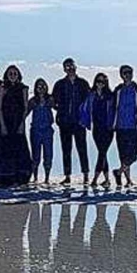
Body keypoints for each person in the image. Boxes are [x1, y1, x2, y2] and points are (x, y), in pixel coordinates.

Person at [51, 57, 91, 186]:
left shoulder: (83, 83)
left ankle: (86, 175)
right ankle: (67, 176)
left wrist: (85, 118)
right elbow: (53, 101)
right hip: (65, 122)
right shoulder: (59, 84)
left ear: (76, 67)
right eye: (67, 67)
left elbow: (88, 101)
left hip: (79, 122)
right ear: (64, 69)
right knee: (66, 149)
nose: (70, 69)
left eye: (72, 66)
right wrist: (60, 112)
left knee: (82, 149)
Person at [0, 65, 33, 186]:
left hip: (18, 121)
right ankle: (5, 177)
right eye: (10, 73)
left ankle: (21, 177)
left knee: (20, 149)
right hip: (5, 120)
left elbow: (25, 108)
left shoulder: (23, 88)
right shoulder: (2, 87)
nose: (13, 75)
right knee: (5, 149)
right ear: (6, 75)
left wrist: (22, 124)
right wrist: (2, 125)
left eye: (15, 73)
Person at [112, 65, 137, 190]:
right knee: (123, 155)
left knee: (133, 154)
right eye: (125, 73)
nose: (127, 75)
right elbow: (111, 106)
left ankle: (119, 172)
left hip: (133, 127)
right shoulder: (118, 89)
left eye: (129, 72)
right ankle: (127, 180)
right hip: (120, 126)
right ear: (121, 75)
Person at [82, 72, 116, 190]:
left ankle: (95, 179)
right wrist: (85, 123)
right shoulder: (91, 95)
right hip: (97, 128)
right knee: (103, 153)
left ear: (106, 83)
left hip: (108, 129)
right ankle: (107, 179)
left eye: (102, 81)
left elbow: (115, 111)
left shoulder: (110, 96)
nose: (100, 84)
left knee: (102, 152)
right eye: (98, 81)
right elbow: (85, 109)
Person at [29, 78, 55, 184]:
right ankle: (35, 177)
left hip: (47, 130)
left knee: (48, 155)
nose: (41, 88)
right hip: (35, 130)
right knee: (36, 155)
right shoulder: (33, 100)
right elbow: (25, 113)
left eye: (43, 86)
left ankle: (47, 178)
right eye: (39, 86)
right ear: (35, 88)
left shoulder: (50, 99)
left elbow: (58, 107)